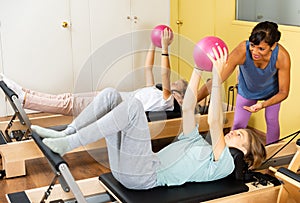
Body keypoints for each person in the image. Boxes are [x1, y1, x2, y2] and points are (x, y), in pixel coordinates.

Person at [30, 46, 266, 190]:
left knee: (132, 106)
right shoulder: (195, 142)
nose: (235, 132)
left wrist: (217, 76)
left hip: (144, 176)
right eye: (240, 130)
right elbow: (188, 107)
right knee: (111, 95)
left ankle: (69, 144)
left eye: (242, 137)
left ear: (246, 153)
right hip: (130, 167)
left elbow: (215, 122)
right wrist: (197, 68)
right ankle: (66, 133)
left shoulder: (224, 163)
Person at [0, 28, 188, 116]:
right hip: (109, 97)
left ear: (179, 95)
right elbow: (149, 68)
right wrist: (153, 44)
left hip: (111, 106)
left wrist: (164, 47)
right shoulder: (154, 92)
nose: (171, 84)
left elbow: (165, 73)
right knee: (67, 98)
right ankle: (24, 92)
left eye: (175, 85)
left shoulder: (167, 100)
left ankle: (24, 99)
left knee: (67, 104)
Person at [197, 21, 291, 145]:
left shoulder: (282, 57)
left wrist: (263, 105)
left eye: (261, 49)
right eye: (252, 45)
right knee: (238, 124)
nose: (255, 52)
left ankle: (271, 155)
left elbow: (284, 92)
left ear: (273, 46)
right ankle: (230, 154)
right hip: (247, 91)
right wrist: (194, 99)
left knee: (272, 121)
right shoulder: (242, 50)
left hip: (272, 93)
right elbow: (217, 79)